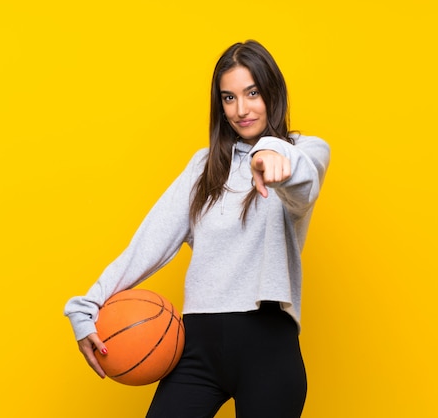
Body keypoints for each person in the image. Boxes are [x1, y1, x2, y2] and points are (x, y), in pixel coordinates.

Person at [64, 40, 330, 418]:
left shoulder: (305, 152)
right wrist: (86, 306)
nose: (241, 109)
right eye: (229, 97)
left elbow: (302, 184)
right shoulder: (204, 167)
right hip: (197, 346)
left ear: (273, 91)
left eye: (252, 93)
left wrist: (272, 154)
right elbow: (149, 242)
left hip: (267, 347)